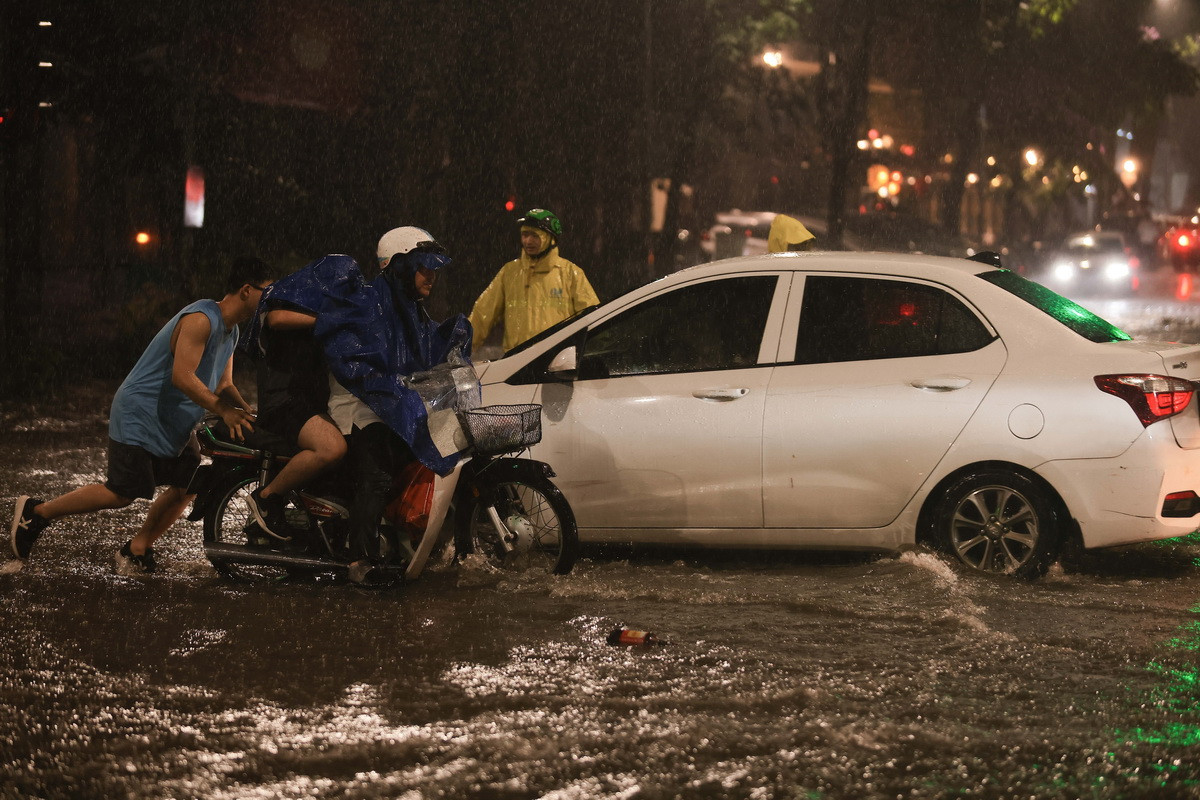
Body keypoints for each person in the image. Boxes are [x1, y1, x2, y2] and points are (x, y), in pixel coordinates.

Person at [9, 256, 273, 574]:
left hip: (173, 418)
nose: (270, 300)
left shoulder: (231, 331)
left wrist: (247, 413)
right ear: (247, 290)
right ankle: (37, 512)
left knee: (187, 483)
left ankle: (137, 548)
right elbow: (183, 377)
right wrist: (222, 411)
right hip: (141, 411)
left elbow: (224, 383)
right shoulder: (202, 318)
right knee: (122, 491)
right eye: (267, 292)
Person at [262, 228, 473, 586]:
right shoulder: (367, 302)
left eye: (434, 268)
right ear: (400, 266)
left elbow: (422, 354)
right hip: (357, 406)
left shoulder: (410, 309)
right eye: (423, 267)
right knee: (376, 475)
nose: (431, 275)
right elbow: (357, 365)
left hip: (389, 403)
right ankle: (360, 560)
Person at [242, 283, 348, 540]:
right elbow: (277, 318)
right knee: (331, 448)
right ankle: (266, 499)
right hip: (284, 405)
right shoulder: (285, 310)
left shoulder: (321, 324)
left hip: (311, 405)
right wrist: (335, 317)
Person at [468, 208, 599, 353]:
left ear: (551, 238)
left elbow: (592, 318)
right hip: (516, 362)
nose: (528, 241)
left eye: (535, 236)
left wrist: (593, 356)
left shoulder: (570, 273)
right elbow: (482, 313)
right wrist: (460, 349)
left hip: (556, 360)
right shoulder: (509, 272)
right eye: (524, 235)